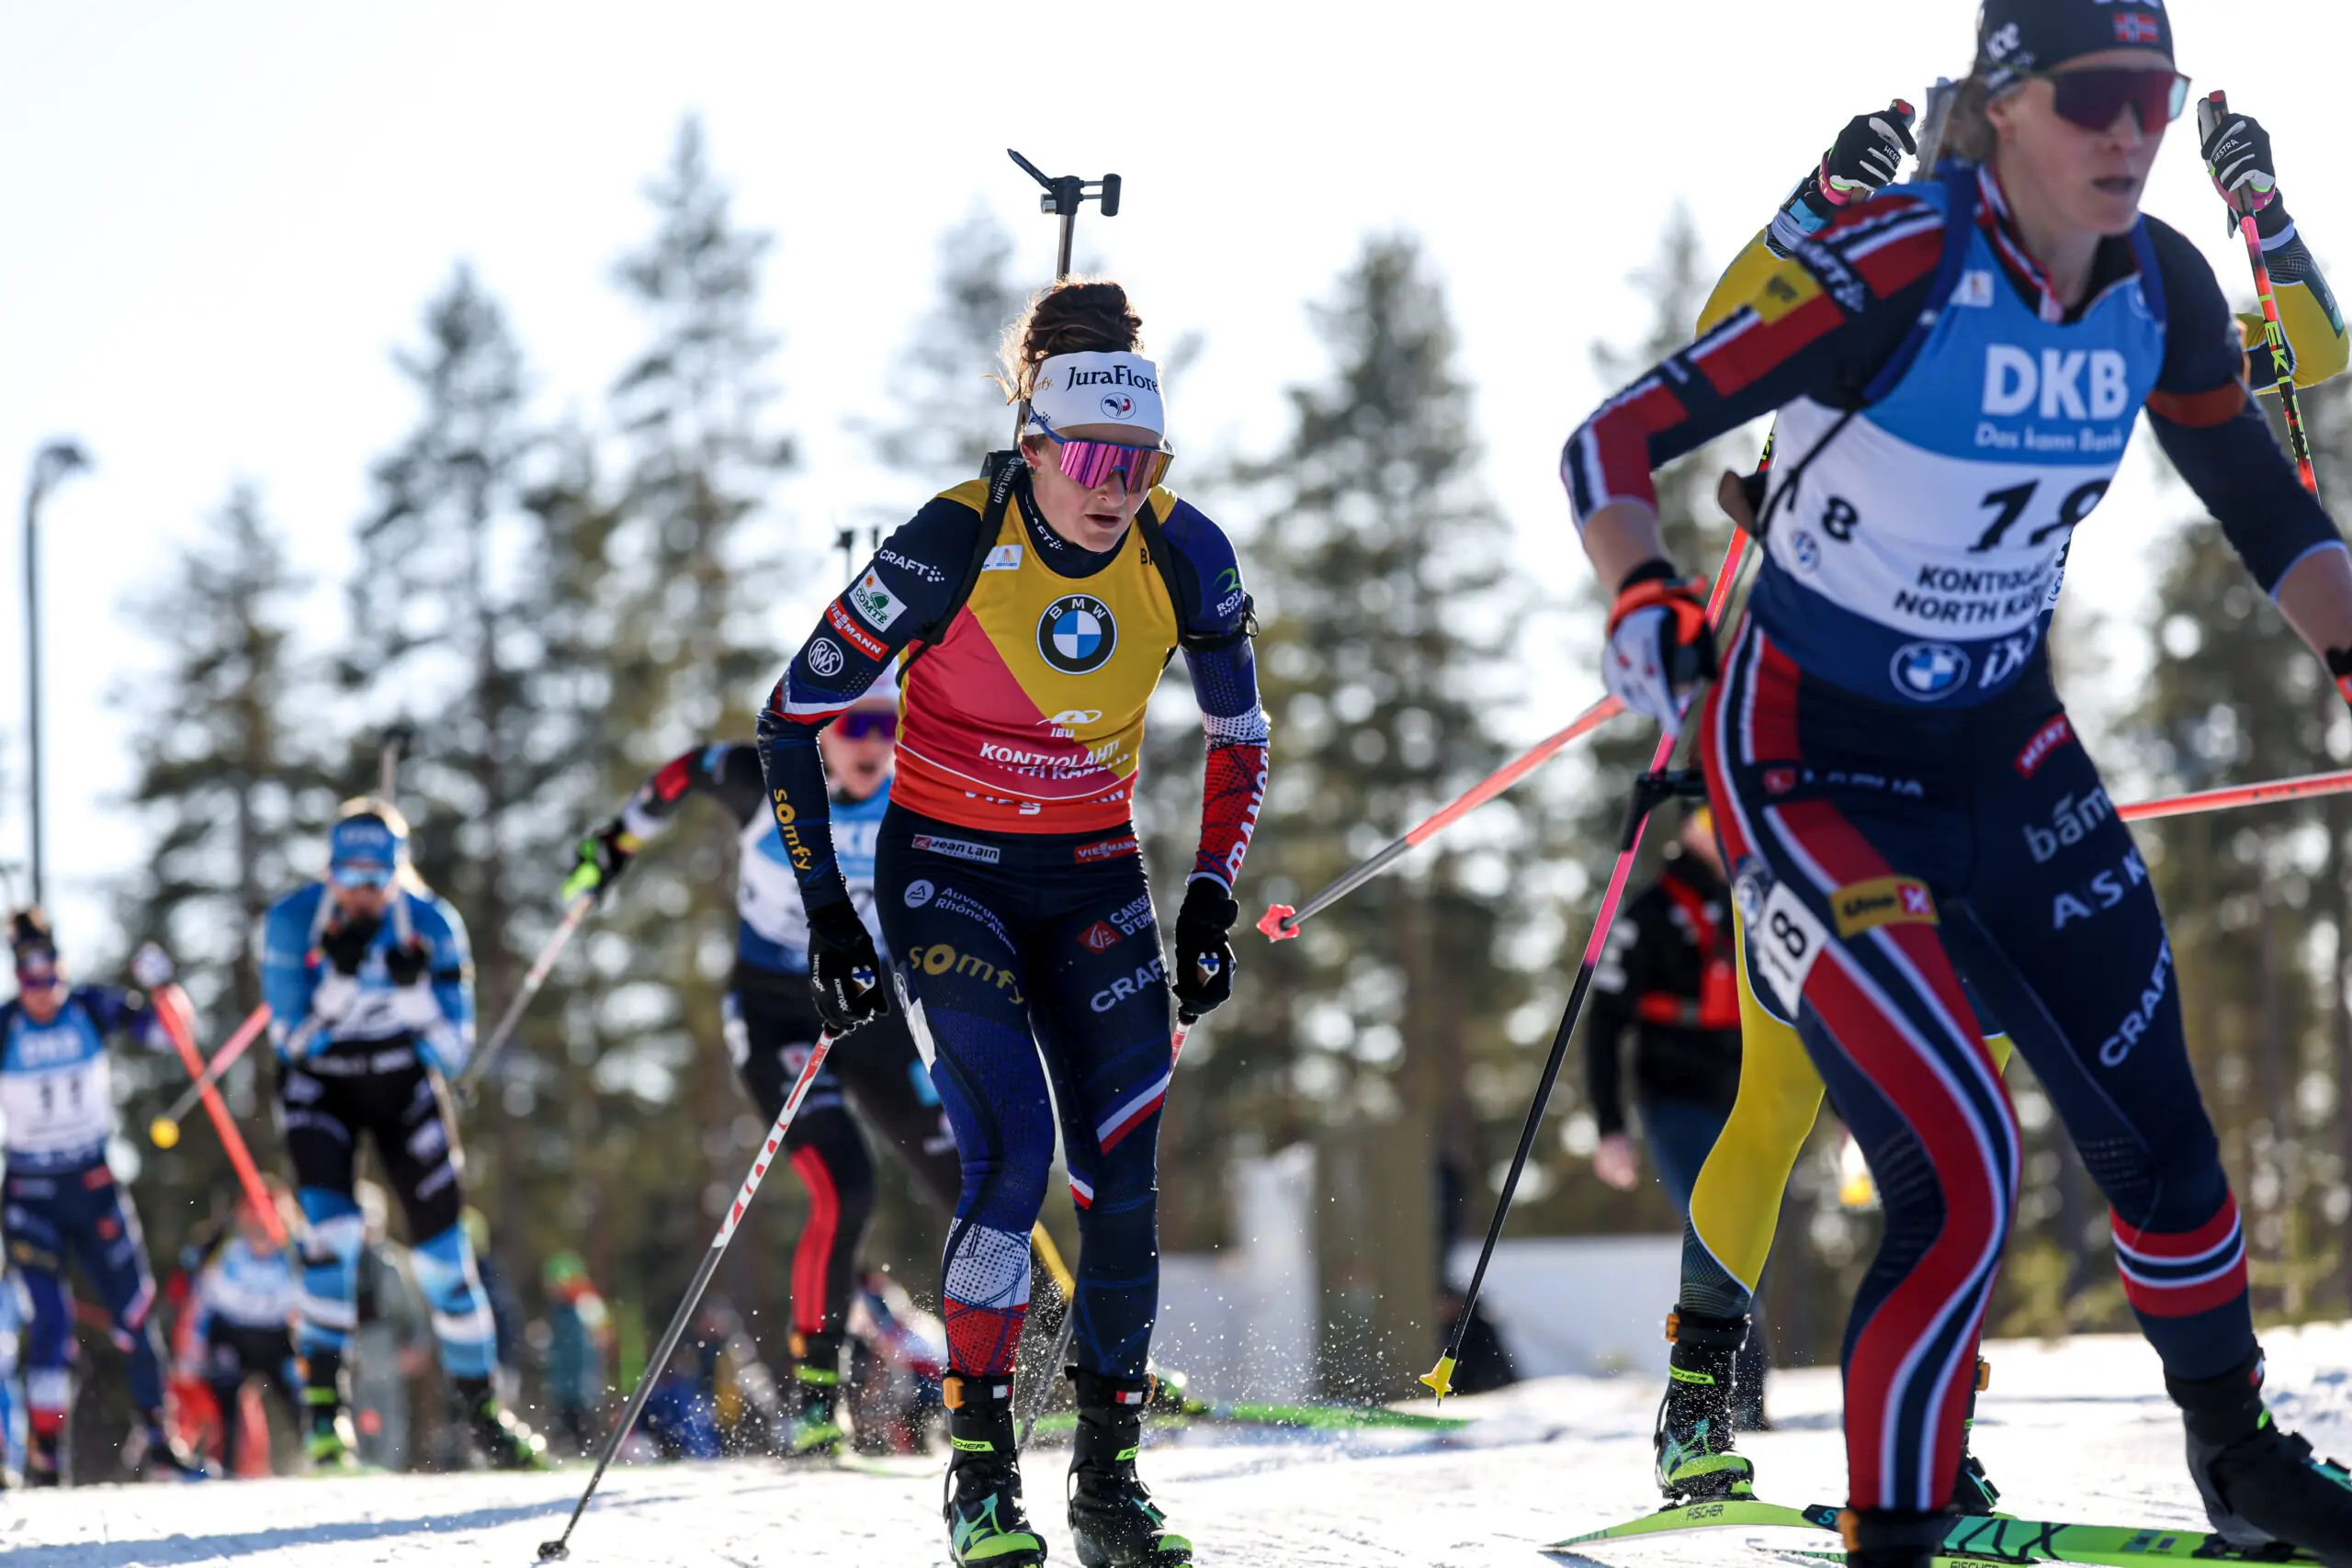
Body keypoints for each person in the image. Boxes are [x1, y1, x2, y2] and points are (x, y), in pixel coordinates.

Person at [1564, 4, 2352, 1562]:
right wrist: (1644, 592)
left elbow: (2273, 500)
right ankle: (1855, 1490)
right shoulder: (1892, 264)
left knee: (2163, 1135)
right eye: (2092, 96)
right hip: (1812, 762)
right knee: (1952, 1163)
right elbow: (1623, 429)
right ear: (2000, 107)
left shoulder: (2156, 286)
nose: (2129, 132)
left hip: (2004, 746)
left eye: (2152, 96)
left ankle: (2236, 1450)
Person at [755, 276, 1266, 1567]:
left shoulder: (1187, 551)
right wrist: (831, 920)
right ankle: (981, 1472)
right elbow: (789, 718)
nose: (1117, 486)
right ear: (1032, 445)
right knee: (1008, 1160)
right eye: (1091, 458)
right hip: (950, 877)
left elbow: (1240, 735)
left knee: (1124, 1178)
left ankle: (1108, 1484)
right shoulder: (949, 538)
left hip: (1093, 881)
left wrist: (1211, 889)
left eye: (1142, 461)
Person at [564, 669, 968, 1460]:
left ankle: (1059, 1366)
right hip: (777, 1010)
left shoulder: (918, 786)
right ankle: (817, 1401)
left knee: (975, 1179)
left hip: (872, 1007)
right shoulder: (765, 778)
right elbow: (687, 770)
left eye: (888, 724)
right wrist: (617, 841)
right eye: (856, 726)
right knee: (845, 1184)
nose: (874, 744)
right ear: (823, 731)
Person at [260, 799, 544, 1472]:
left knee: (446, 1260)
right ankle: (325, 1420)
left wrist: (414, 998)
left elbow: (455, 1053)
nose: (362, 892)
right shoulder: (293, 920)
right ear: (329, 870)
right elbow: (289, 1041)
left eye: (376, 877)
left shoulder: (432, 923)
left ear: (398, 871)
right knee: (332, 1240)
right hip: (321, 1089)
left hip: (402, 1088)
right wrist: (336, 986)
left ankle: (485, 1415)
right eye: (349, 876)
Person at [0, 908, 204, 1483]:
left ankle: (159, 1438)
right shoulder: (7, 1025)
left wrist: (163, 985)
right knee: (51, 1321)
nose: (43, 993)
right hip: (30, 1194)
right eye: (30, 981)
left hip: (92, 1186)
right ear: (18, 978)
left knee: (133, 1310)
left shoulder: (92, 1007)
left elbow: (173, 1033)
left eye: (50, 977)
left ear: (62, 969)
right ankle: (45, 1455)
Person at [1582, 805, 1765, 1426]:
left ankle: (1751, 1397)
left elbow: (1807, 1012)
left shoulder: (1763, 903)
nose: (1723, 830)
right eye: (1709, 818)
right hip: (1675, 1099)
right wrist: (1610, 1126)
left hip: (1752, 1096)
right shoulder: (1650, 913)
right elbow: (1605, 1022)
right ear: (1686, 826)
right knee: (1717, 1227)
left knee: (1753, 1233)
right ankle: (1726, 1400)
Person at [183, 1179, 302, 1474]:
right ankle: (224, 1468)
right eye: (253, 1224)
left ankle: (320, 1455)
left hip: (275, 1336)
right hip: (231, 1333)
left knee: (299, 1397)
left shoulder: (294, 1255)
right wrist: (190, 1351)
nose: (260, 1233)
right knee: (225, 1400)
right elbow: (200, 1302)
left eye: (266, 1225)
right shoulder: (226, 1252)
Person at [540, 1251, 611, 1456]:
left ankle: (590, 1451)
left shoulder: (586, 1303)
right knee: (563, 1421)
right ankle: (566, 1451)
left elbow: (603, 1333)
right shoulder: (558, 1309)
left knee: (585, 1422)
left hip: (584, 1382)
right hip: (563, 1382)